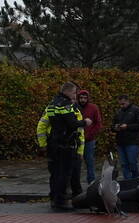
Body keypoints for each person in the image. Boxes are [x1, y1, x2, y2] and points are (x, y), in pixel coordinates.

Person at [36, 82, 91, 210]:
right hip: (66, 143)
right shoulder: (66, 106)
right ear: (67, 91)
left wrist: (43, 144)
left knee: (55, 173)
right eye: (74, 93)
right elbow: (73, 124)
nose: (75, 96)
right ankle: (61, 201)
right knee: (65, 174)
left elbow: (42, 125)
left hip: (53, 143)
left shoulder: (51, 105)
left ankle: (55, 198)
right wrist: (85, 122)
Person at [113, 95, 139, 180]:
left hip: (133, 141)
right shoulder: (118, 112)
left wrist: (127, 126)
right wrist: (115, 127)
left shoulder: (136, 110)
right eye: (120, 104)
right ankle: (127, 181)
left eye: (123, 104)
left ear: (128, 101)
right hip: (120, 142)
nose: (121, 106)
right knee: (124, 164)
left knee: (132, 162)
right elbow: (113, 124)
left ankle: (136, 179)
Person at [76, 89, 103, 184]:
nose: (83, 100)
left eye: (85, 98)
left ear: (88, 98)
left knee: (89, 161)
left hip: (89, 140)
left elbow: (98, 123)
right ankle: (75, 182)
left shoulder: (93, 108)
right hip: (77, 139)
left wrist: (90, 135)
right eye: (81, 98)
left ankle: (91, 181)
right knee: (76, 162)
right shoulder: (75, 107)